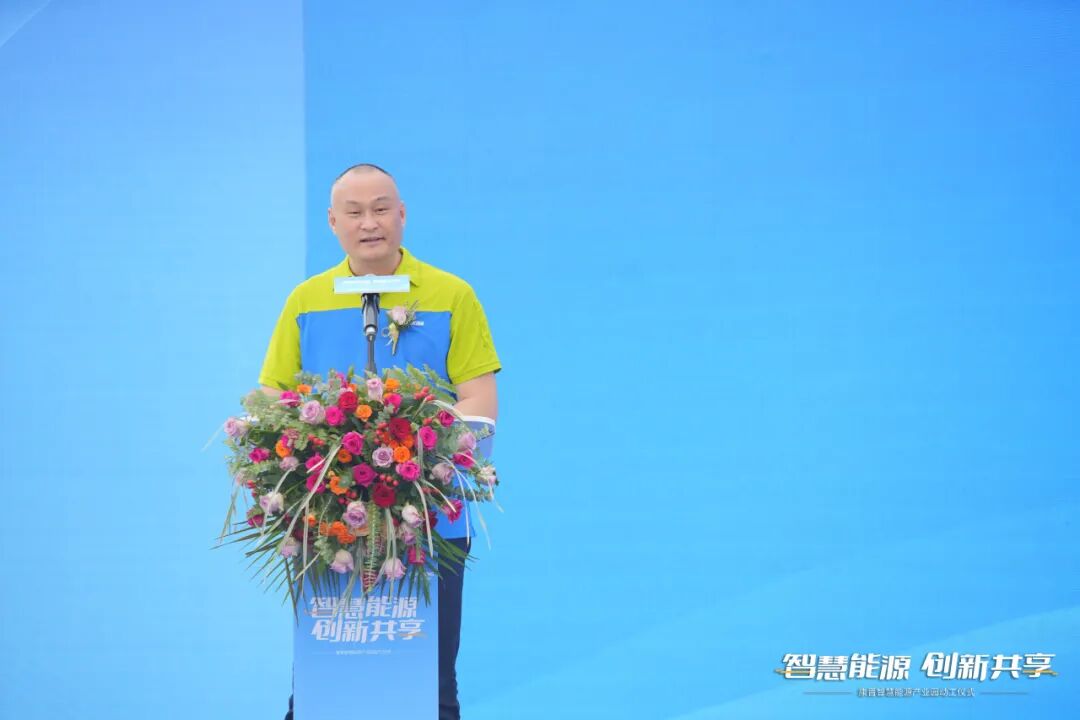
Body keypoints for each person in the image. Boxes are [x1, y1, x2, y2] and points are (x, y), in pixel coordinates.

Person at [258, 163, 500, 720]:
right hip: (327, 523)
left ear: (402, 215)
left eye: (381, 209)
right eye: (355, 212)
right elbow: (273, 401)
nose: (369, 223)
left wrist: (420, 452)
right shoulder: (307, 300)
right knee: (321, 690)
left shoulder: (451, 295)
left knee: (430, 692)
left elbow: (479, 402)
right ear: (333, 222)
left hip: (430, 520)